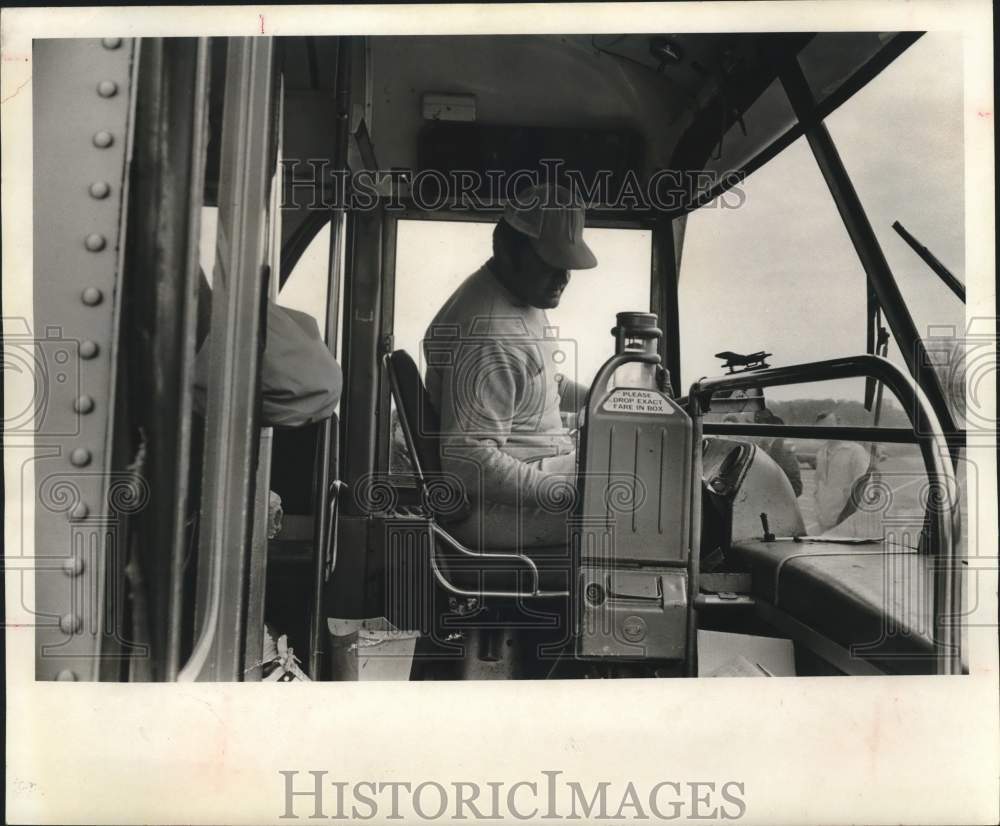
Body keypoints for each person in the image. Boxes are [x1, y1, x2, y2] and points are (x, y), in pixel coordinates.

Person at [423, 183, 597, 549]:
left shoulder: (521, 296)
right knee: (654, 496)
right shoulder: (490, 333)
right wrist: (570, 491)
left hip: (533, 477)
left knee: (645, 469)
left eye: (568, 265)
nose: (564, 278)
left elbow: (543, 384)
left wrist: (606, 401)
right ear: (507, 249)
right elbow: (468, 461)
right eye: (551, 264)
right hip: (495, 510)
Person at [813, 411, 870, 532]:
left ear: (839, 425)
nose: (825, 431)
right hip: (824, 521)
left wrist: (847, 517)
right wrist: (818, 511)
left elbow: (862, 489)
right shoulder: (821, 452)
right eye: (821, 428)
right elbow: (818, 484)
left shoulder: (856, 451)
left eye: (828, 426)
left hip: (847, 522)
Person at [753, 409, 803, 497]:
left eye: (762, 426)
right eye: (757, 426)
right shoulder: (759, 448)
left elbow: (796, 488)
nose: (759, 432)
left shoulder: (784, 450)